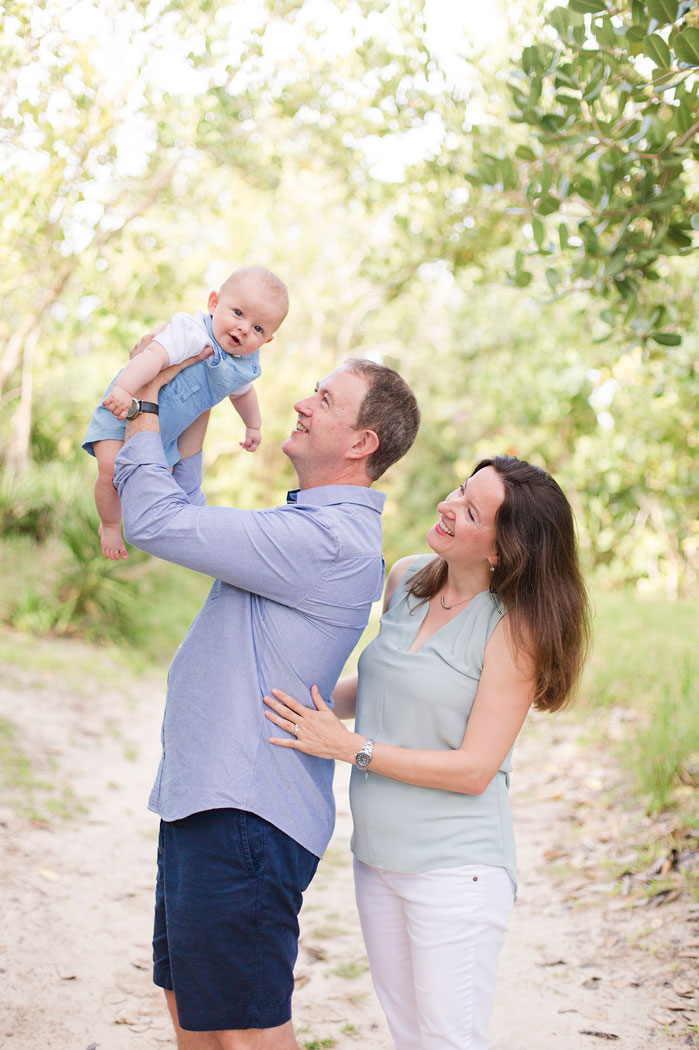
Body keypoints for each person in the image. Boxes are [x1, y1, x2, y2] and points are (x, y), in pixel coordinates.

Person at [112, 353, 420, 1050]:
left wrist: (142, 405)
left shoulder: (325, 540)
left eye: (324, 398)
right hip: (212, 800)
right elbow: (180, 510)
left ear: (361, 442)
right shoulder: (306, 527)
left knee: (246, 1030)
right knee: (195, 1008)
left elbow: (157, 523)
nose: (303, 404)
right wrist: (190, 414)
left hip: (245, 814)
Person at [264, 454, 590, 1050]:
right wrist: (295, 706)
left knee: (446, 1040)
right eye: (460, 490)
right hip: (377, 859)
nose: (447, 505)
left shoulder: (515, 630)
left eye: (470, 511)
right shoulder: (409, 579)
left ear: (501, 550)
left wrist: (351, 748)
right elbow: (387, 687)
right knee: (409, 1035)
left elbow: (473, 771)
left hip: (455, 870)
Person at [83, 265, 289, 560]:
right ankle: (110, 524)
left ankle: (127, 518)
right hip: (122, 412)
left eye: (258, 328)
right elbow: (150, 357)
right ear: (214, 303)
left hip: (162, 435)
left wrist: (253, 427)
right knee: (110, 471)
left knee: (151, 484)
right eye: (239, 313)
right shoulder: (191, 333)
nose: (244, 328)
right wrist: (124, 390)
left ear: (267, 340)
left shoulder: (242, 365)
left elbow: (244, 395)